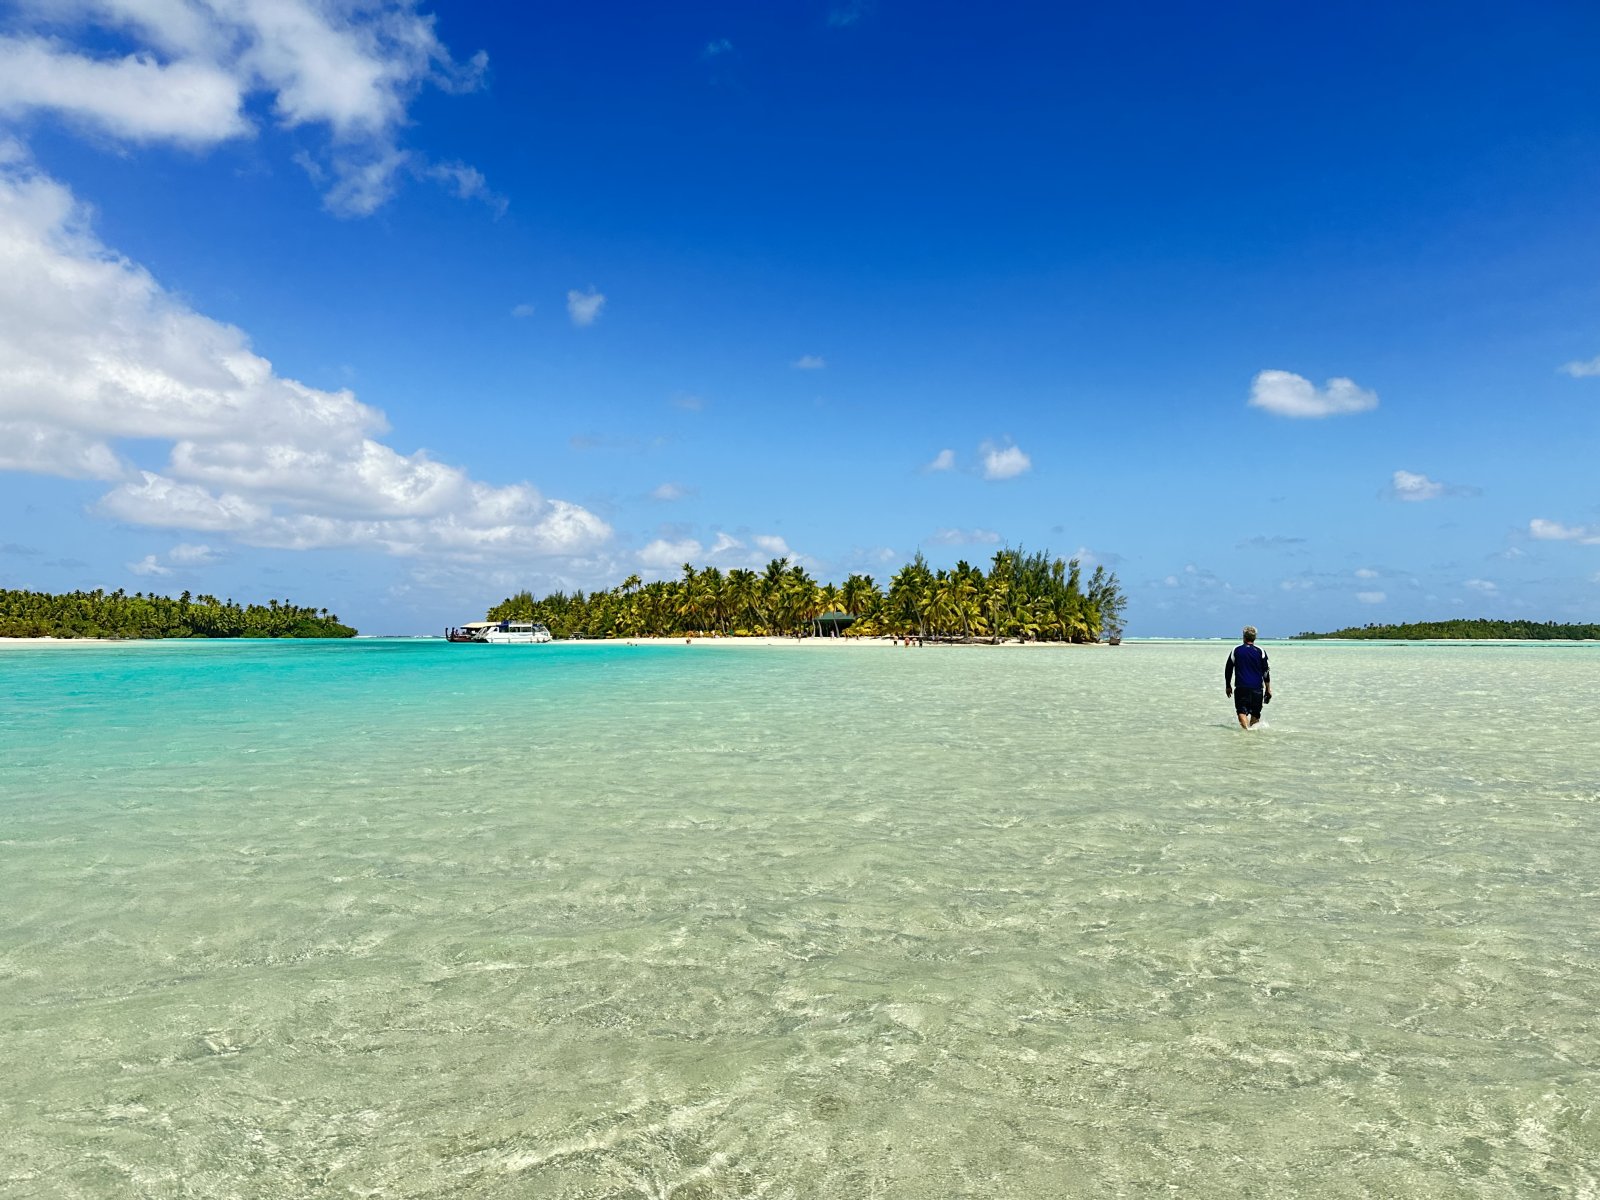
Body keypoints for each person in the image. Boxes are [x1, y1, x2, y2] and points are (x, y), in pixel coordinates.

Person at [1224, 625, 1272, 729]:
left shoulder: (1236, 650)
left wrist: (1228, 685)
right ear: (1254, 638)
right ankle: (1251, 736)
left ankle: (1246, 733)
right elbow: (1266, 672)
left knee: (1241, 711)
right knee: (1255, 713)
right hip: (1257, 689)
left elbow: (1228, 669)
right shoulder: (1261, 651)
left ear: (1244, 637)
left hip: (1241, 688)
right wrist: (1268, 689)